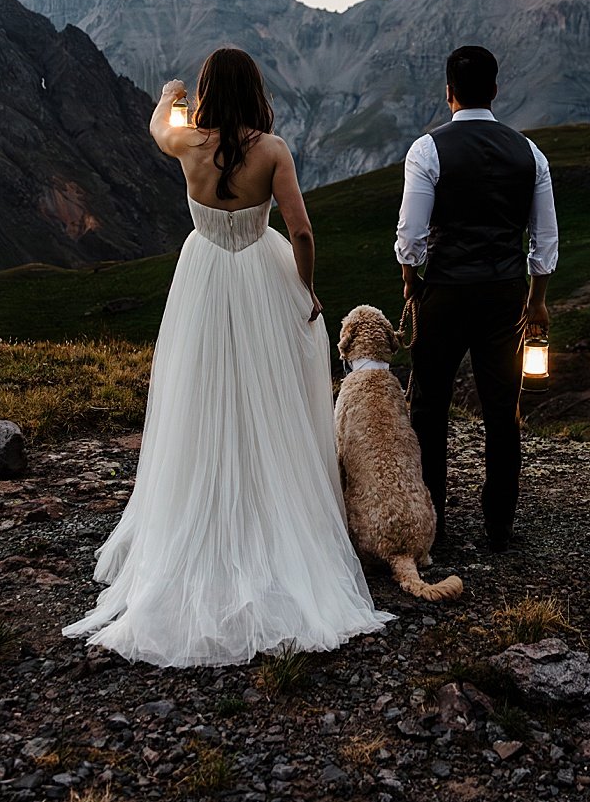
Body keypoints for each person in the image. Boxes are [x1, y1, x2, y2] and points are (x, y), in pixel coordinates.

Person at [62, 47, 392, 667]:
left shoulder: (187, 142)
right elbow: (302, 231)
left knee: (199, 393)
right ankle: (278, 514)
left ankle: (197, 517)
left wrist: (170, 94)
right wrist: (308, 287)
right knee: (274, 395)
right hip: (262, 275)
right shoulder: (272, 150)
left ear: (211, 92)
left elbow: (158, 124)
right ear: (257, 90)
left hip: (205, 274)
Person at [395, 45, 558, 554]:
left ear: (449, 94)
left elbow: (411, 234)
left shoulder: (427, 150)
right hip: (505, 294)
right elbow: (545, 239)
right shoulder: (530, 153)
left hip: (443, 291)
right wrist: (536, 300)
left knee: (429, 407)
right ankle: (499, 523)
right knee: (501, 408)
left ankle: (433, 523)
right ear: (494, 90)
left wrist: (410, 278)